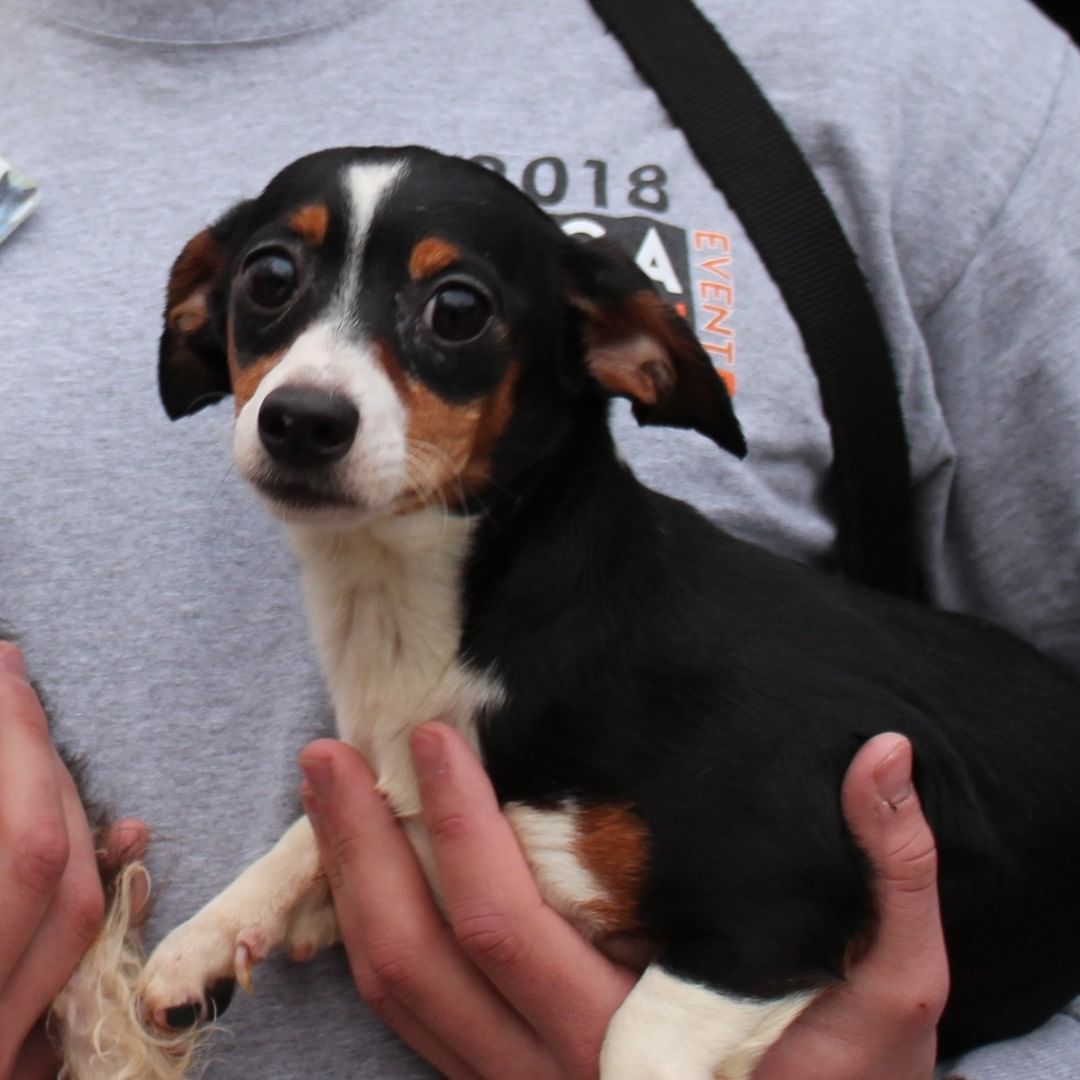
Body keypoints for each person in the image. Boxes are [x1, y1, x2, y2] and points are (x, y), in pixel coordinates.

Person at [0, 0, 1077, 1077]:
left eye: (456, 311)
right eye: (274, 288)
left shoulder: (915, 70)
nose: (310, 390)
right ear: (211, 307)